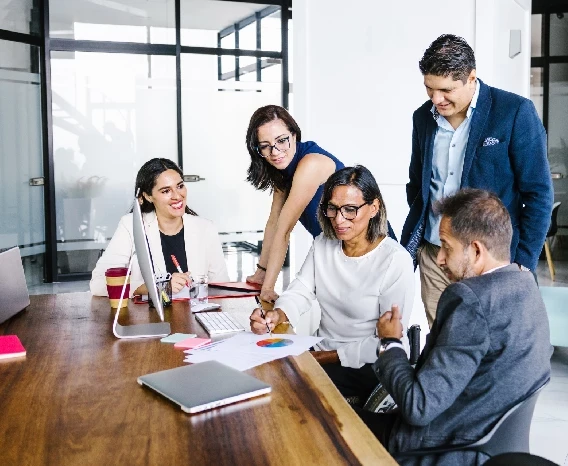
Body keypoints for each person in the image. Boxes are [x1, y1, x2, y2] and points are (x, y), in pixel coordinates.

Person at [363, 189, 552, 465]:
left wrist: (390, 344)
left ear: (476, 250)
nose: (439, 258)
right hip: (487, 442)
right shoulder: (525, 285)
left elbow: (419, 407)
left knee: (328, 421)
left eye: (446, 246)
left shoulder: (470, 300)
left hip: (440, 449)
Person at [402, 34, 553, 327]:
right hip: (437, 258)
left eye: (446, 90)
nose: (436, 99)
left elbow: (539, 194)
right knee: (443, 342)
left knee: (491, 349)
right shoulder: (422, 118)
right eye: (429, 89)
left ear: (471, 78)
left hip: (492, 262)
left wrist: (522, 262)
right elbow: (417, 185)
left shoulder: (514, 112)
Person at [249, 166, 414, 405]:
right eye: (333, 209)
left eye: (350, 210)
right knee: (268, 374)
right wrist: (277, 314)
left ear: (374, 208)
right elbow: (301, 290)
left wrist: (323, 357)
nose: (339, 219)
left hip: (368, 364)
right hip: (322, 353)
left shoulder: (394, 260)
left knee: (287, 389)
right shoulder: (324, 244)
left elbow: (386, 341)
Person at [243, 105, 346, 304]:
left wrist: (268, 288)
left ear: (294, 135)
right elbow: (274, 222)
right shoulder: (283, 168)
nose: (275, 152)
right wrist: (261, 273)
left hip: (370, 253)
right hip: (337, 253)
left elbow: (284, 229)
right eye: (265, 145)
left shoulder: (310, 164)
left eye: (282, 141)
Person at [90, 158, 229, 297]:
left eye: (180, 186)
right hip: (150, 316)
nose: (177, 196)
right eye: (166, 191)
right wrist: (156, 287)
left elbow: (222, 286)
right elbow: (98, 284)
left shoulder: (205, 228)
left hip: (194, 315)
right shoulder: (131, 226)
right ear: (148, 196)